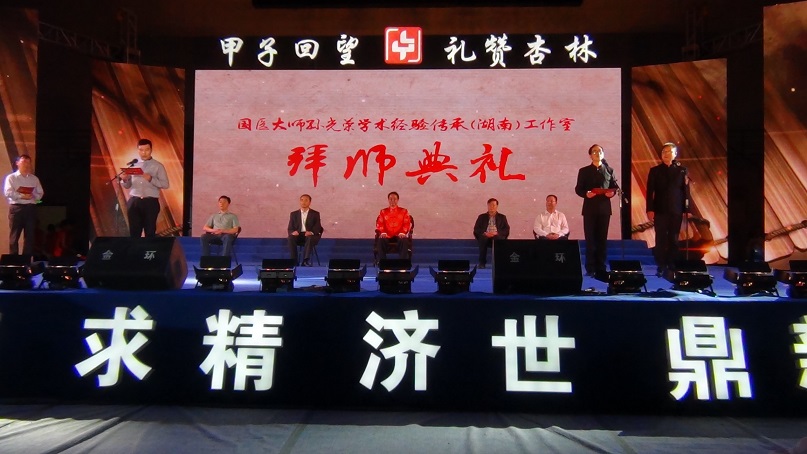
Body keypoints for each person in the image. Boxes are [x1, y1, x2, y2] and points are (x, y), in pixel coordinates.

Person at [646, 142, 690, 276]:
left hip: (676, 209)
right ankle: (660, 264)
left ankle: (672, 264)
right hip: (660, 209)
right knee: (660, 238)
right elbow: (650, 192)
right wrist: (649, 209)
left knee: (673, 238)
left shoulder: (682, 170)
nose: (665, 154)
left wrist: (687, 210)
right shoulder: (655, 170)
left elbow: (686, 191)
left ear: (675, 154)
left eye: (669, 151)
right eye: (663, 152)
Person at [575, 144, 618, 277]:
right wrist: (586, 194)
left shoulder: (609, 170)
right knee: (590, 239)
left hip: (604, 209)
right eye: (594, 151)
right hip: (589, 209)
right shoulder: (584, 171)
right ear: (590, 155)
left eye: (599, 151)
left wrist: (612, 193)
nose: (597, 153)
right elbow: (578, 189)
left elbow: (614, 186)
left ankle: (601, 267)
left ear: (603, 154)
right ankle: (590, 267)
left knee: (602, 239)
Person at [120, 138, 169, 237]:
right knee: (134, 231)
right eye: (141, 150)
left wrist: (151, 179)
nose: (144, 153)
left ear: (151, 150)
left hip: (150, 202)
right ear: (137, 150)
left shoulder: (158, 166)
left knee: (150, 231)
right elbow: (127, 186)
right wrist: (125, 179)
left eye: (147, 150)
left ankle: (148, 247)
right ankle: (134, 247)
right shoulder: (132, 165)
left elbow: (165, 184)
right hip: (134, 201)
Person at [3, 154, 44, 255]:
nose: (26, 164)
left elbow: (40, 193)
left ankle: (26, 260)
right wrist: (21, 195)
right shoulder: (11, 177)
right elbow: (8, 192)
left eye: (28, 162)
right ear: (17, 163)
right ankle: (14, 259)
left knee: (30, 236)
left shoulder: (34, 179)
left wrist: (34, 197)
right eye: (23, 162)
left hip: (30, 208)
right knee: (14, 236)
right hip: (17, 208)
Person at [473, 198, 510, 269]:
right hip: (485, 236)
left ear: (497, 206)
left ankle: (498, 263)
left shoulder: (502, 217)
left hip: (496, 236)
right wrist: (485, 233)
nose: (491, 207)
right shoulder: (481, 217)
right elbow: (476, 229)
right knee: (483, 238)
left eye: (493, 205)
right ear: (487, 205)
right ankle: (482, 263)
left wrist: (497, 233)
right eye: (490, 205)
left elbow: (506, 229)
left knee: (498, 239)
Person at [287, 194, 323, 266]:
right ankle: (294, 260)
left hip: (310, 236)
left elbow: (318, 227)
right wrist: (293, 232)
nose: (303, 202)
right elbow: (290, 228)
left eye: (306, 200)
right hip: (299, 235)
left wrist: (311, 232)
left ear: (310, 202)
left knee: (309, 238)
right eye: (302, 200)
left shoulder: (315, 214)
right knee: (290, 238)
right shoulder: (293, 214)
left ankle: (305, 260)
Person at [375, 191, 411, 260]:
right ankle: (383, 263)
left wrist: (403, 232)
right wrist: (383, 232)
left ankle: (402, 263)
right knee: (380, 241)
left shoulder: (404, 211)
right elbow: (380, 223)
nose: (392, 201)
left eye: (395, 199)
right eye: (391, 199)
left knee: (404, 241)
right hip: (387, 235)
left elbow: (406, 223)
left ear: (398, 200)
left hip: (399, 234)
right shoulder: (383, 211)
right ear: (388, 200)